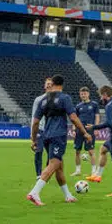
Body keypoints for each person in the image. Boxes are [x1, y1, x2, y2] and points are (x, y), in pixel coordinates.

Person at [26, 75, 92, 206]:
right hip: (58, 135)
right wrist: (85, 132)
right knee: (53, 164)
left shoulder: (43, 100)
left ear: (53, 84)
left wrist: (33, 140)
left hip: (46, 135)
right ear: (62, 84)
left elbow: (35, 123)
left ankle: (68, 195)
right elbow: (73, 117)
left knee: (59, 167)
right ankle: (34, 192)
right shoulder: (64, 98)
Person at [72, 86, 101, 178]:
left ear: (88, 94)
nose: (83, 95)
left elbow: (97, 116)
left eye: (85, 93)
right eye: (81, 94)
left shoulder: (94, 104)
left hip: (89, 131)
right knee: (77, 151)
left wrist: (96, 128)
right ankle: (77, 170)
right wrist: (73, 129)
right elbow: (74, 118)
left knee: (91, 151)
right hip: (79, 130)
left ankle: (93, 171)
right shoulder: (78, 106)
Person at [30, 78, 53, 179]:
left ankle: (46, 172)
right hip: (40, 129)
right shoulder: (38, 100)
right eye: (47, 84)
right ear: (44, 86)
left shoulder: (57, 100)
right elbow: (34, 117)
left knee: (51, 154)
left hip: (51, 130)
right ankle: (39, 174)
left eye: (50, 84)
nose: (48, 85)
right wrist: (32, 133)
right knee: (38, 151)